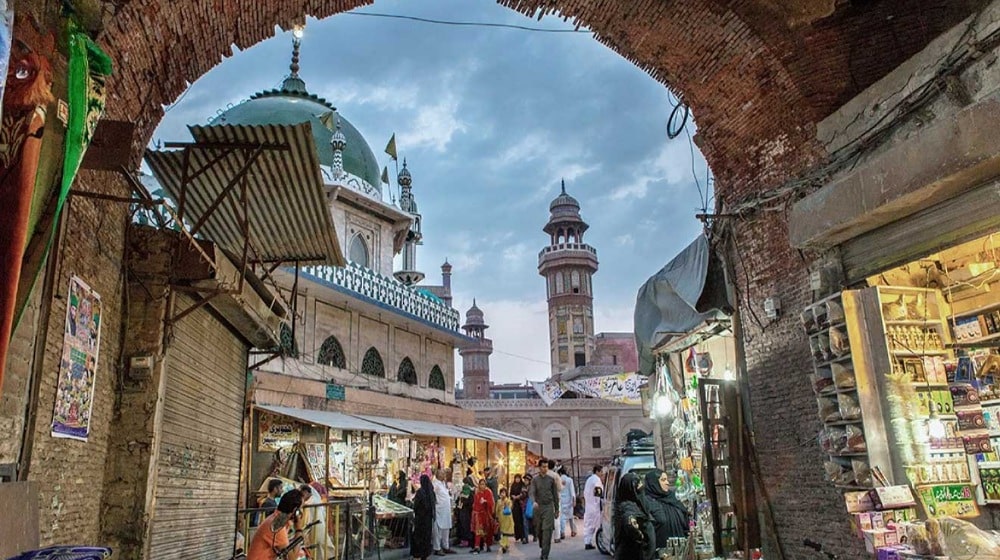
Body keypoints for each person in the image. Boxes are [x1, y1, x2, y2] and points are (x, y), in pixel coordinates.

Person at [247, 489, 304, 560]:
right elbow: (291, 558)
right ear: (295, 510)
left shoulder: (277, 518)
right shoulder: (278, 526)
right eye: (300, 508)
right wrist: (299, 530)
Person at [612, 473, 656, 560]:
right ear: (630, 490)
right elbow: (629, 520)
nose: (641, 491)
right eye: (637, 488)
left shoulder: (640, 505)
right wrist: (639, 535)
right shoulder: (626, 507)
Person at [643, 469, 690, 547]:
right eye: (663, 480)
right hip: (661, 549)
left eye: (667, 479)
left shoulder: (672, 498)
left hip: (682, 547)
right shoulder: (648, 503)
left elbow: (686, 517)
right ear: (654, 483)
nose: (667, 483)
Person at [528, 459, 560, 560]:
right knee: (539, 530)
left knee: (547, 530)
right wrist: (533, 502)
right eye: (543, 467)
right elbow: (531, 492)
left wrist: (557, 509)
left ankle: (544, 554)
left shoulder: (551, 479)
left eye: (546, 467)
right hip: (538, 507)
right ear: (539, 467)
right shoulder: (535, 480)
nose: (545, 469)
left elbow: (555, 495)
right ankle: (542, 544)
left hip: (548, 507)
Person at [411, 474, 436, 560]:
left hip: (420, 519)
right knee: (426, 537)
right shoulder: (431, 492)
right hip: (428, 519)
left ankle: (418, 555)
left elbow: (416, 505)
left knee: (419, 536)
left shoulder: (420, 492)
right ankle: (425, 554)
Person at [432, 468, 456, 555]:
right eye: (442, 473)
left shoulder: (443, 484)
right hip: (439, 510)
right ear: (438, 475)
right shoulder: (435, 484)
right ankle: (437, 548)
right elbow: (433, 495)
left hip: (446, 511)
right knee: (438, 530)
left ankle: (446, 546)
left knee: (446, 529)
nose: (444, 475)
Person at [471, 478, 496, 554]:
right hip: (478, 514)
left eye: (483, 484)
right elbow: (475, 503)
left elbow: (491, 503)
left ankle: (488, 545)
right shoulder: (477, 492)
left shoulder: (488, 492)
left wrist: (486, 501)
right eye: (481, 484)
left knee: (487, 531)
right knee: (478, 531)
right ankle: (477, 546)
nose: (482, 486)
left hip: (486, 514)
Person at [582, 465, 604, 550]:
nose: (602, 473)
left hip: (589, 504)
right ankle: (588, 542)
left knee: (588, 524)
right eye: (601, 472)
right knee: (592, 524)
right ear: (597, 471)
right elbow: (598, 492)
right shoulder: (596, 480)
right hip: (594, 505)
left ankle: (587, 541)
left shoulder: (589, 479)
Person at [557, 467, 577, 542]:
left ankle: (562, 532)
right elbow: (572, 490)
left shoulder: (558, 480)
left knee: (562, 517)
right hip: (569, 500)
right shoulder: (569, 480)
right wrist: (574, 500)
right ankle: (573, 531)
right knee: (571, 517)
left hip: (561, 500)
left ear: (560, 473)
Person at [494, 487, 515, 554]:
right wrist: (496, 517)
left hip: (507, 518)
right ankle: (506, 544)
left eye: (504, 493)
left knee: (505, 533)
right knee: (503, 532)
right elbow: (497, 510)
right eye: (501, 493)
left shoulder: (508, 501)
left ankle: (503, 545)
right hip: (501, 518)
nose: (502, 494)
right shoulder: (498, 501)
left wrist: (506, 504)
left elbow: (510, 508)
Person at [458, 475, 475, 546]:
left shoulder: (470, 492)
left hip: (467, 512)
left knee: (466, 526)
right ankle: (464, 540)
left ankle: (467, 540)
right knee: (463, 526)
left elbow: (471, 502)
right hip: (463, 512)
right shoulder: (463, 492)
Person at [509, 474, 527, 544]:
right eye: (516, 478)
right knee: (516, 520)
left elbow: (524, 494)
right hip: (515, 505)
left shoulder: (522, 485)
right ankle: (517, 536)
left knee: (521, 520)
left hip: (521, 505)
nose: (517, 479)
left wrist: (518, 497)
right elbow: (510, 494)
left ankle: (522, 536)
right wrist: (513, 496)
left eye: (518, 478)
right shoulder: (513, 485)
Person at [521, 474, 534, 544]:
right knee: (525, 523)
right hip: (524, 506)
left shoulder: (532, 487)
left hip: (531, 506)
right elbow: (522, 496)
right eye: (525, 480)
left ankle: (535, 535)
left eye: (527, 480)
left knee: (533, 522)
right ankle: (526, 538)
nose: (525, 481)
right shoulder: (523, 487)